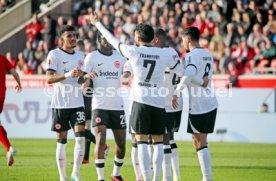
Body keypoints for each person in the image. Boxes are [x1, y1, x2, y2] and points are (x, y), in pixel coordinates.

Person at [89, 11, 183, 181]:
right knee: (159, 143)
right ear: (153, 38)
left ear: (138, 38)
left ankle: (146, 179)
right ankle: (156, 179)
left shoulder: (133, 51)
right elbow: (181, 72)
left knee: (141, 143)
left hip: (140, 102)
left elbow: (112, 40)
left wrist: (97, 24)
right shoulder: (165, 54)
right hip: (159, 103)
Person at [79, 30, 127, 181]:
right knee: (100, 139)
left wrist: (128, 77)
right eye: (104, 38)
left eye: (109, 38)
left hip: (117, 105)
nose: (107, 41)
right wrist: (86, 78)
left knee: (121, 143)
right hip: (99, 105)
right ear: (99, 39)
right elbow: (81, 80)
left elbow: (128, 75)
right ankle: (100, 178)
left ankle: (116, 174)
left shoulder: (120, 57)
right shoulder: (92, 57)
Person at [175, 26, 218, 181]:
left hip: (199, 104)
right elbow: (203, 78)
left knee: (200, 141)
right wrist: (201, 81)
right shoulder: (207, 54)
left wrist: (177, 90)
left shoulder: (191, 56)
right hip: (211, 102)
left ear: (188, 39)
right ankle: (206, 177)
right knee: (198, 140)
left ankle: (207, 177)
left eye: (182, 40)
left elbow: (189, 73)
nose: (182, 43)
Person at [46, 25, 85, 181]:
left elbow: (80, 79)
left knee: (80, 138)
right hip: (60, 104)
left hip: (77, 102)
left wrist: (85, 77)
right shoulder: (54, 54)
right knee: (62, 141)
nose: (73, 38)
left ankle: (76, 173)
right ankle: (63, 177)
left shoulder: (81, 55)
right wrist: (68, 74)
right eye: (70, 35)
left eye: (75, 35)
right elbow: (49, 78)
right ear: (61, 38)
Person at [75, 39, 110, 164]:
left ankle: (103, 145)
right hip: (90, 97)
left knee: (79, 127)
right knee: (86, 128)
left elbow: (87, 82)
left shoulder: (84, 61)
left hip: (86, 98)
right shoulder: (87, 60)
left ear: (79, 49)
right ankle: (85, 158)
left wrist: (80, 92)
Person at [0, 54, 22, 167]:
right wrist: (19, 84)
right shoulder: (2, 58)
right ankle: (9, 148)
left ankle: (9, 148)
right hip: (1, 93)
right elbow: (14, 72)